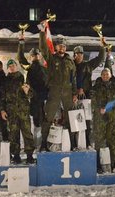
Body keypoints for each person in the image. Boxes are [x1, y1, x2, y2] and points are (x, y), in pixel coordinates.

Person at [39, 23, 77, 151]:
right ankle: (43, 144)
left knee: (70, 119)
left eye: (64, 46)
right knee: (48, 118)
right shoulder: (51, 58)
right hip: (54, 92)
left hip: (67, 94)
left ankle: (72, 144)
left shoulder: (70, 62)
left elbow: (74, 79)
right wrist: (41, 33)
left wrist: (75, 93)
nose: (62, 47)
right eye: (60, 45)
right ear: (56, 47)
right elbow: (43, 49)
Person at [91, 63, 115, 173]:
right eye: (104, 74)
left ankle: (113, 165)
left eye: (107, 74)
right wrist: (98, 109)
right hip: (100, 118)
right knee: (99, 142)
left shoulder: (114, 85)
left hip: (112, 118)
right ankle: (98, 166)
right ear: (101, 76)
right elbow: (92, 101)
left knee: (113, 142)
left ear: (110, 75)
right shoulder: (96, 87)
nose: (105, 76)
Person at [0, 59, 35, 164]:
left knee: (27, 133)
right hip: (11, 112)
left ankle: (29, 155)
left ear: (16, 66)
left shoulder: (23, 78)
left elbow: (32, 94)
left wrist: (27, 91)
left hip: (23, 111)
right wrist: (2, 110)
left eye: (13, 65)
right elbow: (1, 98)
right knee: (13, 135)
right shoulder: (5, 81)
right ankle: (16, 156)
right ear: (8, 68)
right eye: (9, 66)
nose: (12, 67)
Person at [17, 34, 48, 150]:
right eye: (32, 56)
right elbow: (20, 57)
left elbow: (49, 84)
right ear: (30, 58)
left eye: (36, 55)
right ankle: (32, 146)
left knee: (43, 124)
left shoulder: (45, 69)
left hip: (44, 100)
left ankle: (41, 145)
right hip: (31, 100)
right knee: (31, 124)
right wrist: (21, 43)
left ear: (39, 56)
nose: (35, 57)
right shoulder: (28, 67)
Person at [73, 41, 106, 147]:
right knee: (74, 120)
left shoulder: (88, 65)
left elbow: (100, 59)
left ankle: (87, 142)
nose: (79, 55)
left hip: (86, 97)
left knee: (87, 121)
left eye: (81, 53)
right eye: (77, 53)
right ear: (74, 55)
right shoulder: (70, 65)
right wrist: (76, 90)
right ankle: (74, 143)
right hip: (73, 97)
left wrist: (102, 47)